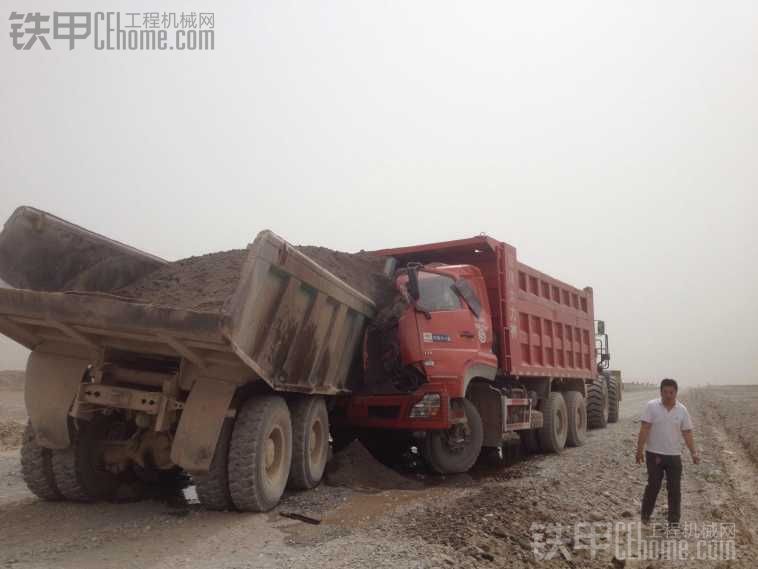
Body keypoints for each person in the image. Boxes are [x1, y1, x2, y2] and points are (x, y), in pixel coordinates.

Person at [635, 378, 700, 525]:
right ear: (661, 392)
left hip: (674, 456)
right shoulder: (651, 406)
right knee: (653, 485)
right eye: (665, 392)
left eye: (671, 392)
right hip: (654, 454)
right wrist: (639, 450)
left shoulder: (682, 410)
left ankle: (674, 521)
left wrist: (693, 452)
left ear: (676, 392)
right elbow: (644, 428)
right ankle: (645, 516)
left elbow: (687, 432)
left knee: (675, 488)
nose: (668, 395)